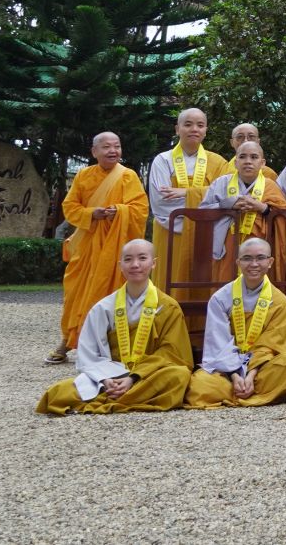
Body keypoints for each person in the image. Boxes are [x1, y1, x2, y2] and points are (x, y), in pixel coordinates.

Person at [38, 239, 192, 415]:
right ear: (120, 266)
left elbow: (173, 353)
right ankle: (129, 396)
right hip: (111, 375)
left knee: (178, 376)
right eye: (128, 259)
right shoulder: (103, 307)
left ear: (153, 263)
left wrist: (133, 377)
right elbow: (89, 353)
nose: (135, 264)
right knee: (56, 392)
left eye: (142, 258)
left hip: (148, 375)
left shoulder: (168, 306)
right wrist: (105, 379)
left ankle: (114, 397)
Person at [52, 131, 149, 363]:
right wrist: (90, 214)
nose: (113, 151)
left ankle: (114, 347)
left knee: (114, 296)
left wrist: (120, 212)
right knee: (75, 294)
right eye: (106, 147)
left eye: (117, 146)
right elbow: (70, 207)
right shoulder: (83, 175)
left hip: (115, 250)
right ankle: (68, 340)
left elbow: (140, 209)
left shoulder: (128, 176)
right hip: (87, 247)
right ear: (94, 151)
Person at [184, 238, 286, 408]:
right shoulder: (221, 298)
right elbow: (218, 342)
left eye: (260, 258)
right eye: (247, 258)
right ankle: (259, 394)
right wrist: (235, 375)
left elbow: (274, 344)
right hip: (226, 371)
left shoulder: (279, 301)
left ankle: (238, 392)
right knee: (199, 386)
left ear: (270, 262)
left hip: (261, 368)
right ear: (238, 263)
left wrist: (251, 374)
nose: (254, 264)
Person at [146, 108, 227, 303]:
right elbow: (161, 202)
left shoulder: (218, 162)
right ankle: (168, 320)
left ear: (206, 130)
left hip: (206, 235)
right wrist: (206, 199)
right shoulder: (162, 160)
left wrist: (186, 194)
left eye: (200, 125)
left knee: (204, 283)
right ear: (177, 129)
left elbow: (226, 198)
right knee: (170, 278)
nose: (194, 129)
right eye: (188, 124)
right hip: (170, 232)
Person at [196, 140, 286, 265]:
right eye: (242, 157)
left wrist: (262, 208)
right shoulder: (221, 183)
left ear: (262, 163)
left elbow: (283, 218)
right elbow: (203, 213)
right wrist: (227, 206)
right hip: (227, 247)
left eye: (254, 157)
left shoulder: (270, 186)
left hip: (260, 248)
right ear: (235, 162)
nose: (248, 161)